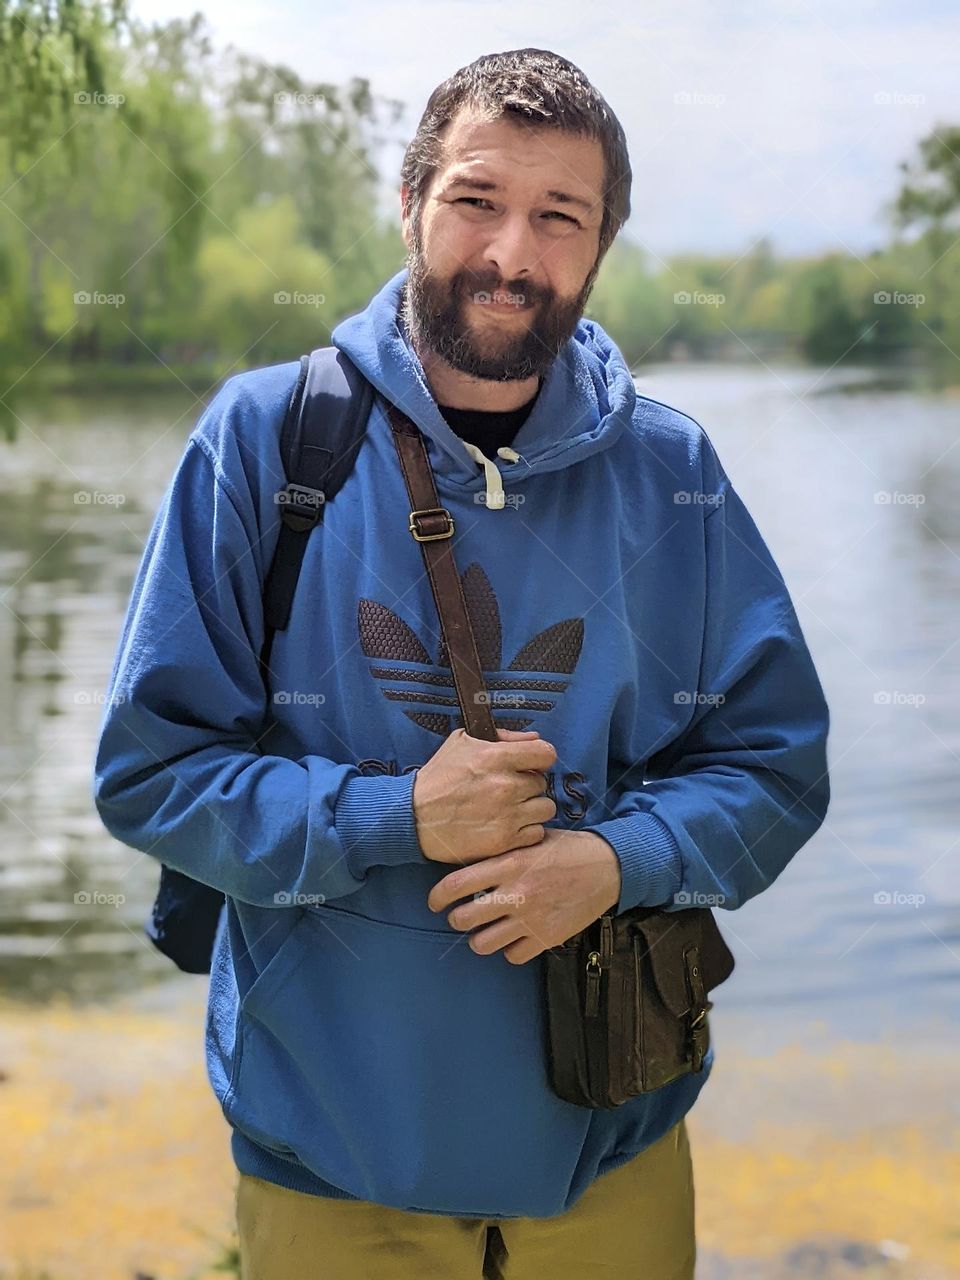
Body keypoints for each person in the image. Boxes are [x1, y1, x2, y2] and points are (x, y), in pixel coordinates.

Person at [93, 47, 830, 1280]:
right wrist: (396, 813)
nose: (511, 253)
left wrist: (615, 857)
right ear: (411, 205)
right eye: (476, 200)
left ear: (599, 248)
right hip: (332, 1160)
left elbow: (776, 766)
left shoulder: (672, 474)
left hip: (612, 1150)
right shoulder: (265, 439)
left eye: (560, 216)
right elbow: (154, 776)